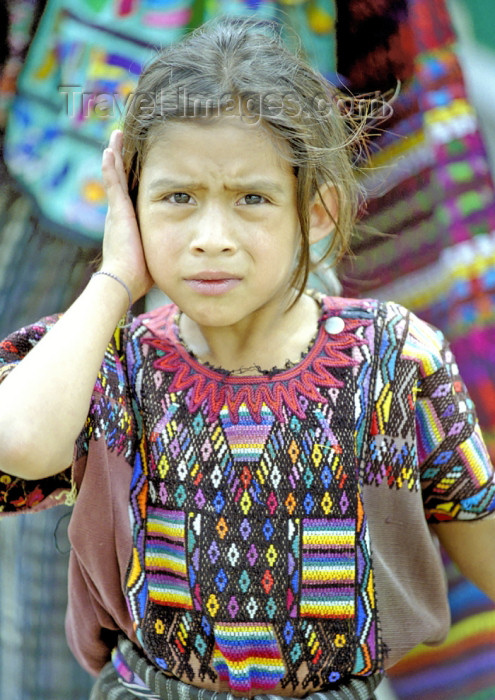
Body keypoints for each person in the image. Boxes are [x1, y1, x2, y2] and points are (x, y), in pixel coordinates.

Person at [0, 17, 494, 700]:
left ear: (315, 213)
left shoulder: (396, 360)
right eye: (176, 198)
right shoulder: (110, 361)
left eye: (252, 200)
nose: (210, 238)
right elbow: (20, 443)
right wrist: (115, 276)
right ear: (129, 206)